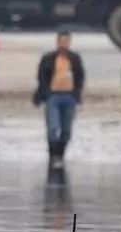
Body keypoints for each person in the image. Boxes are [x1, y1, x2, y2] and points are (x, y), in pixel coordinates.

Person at [33, 31, 85, 166]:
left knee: (66, 130)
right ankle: (53, 154)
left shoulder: (74, 58)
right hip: (53, 96)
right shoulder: (49, 58)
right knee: (53, 127)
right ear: (57, 42)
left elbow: (80, 77)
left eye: (66, 42)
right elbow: (41, 77)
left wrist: (77, 94)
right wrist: (45, 93)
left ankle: (60, 154)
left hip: (69, 97)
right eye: (62, 41)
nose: (64, 44)